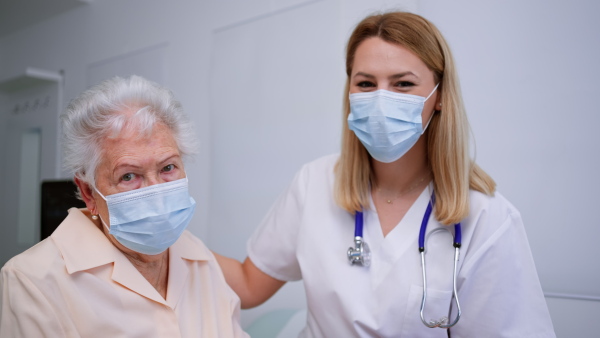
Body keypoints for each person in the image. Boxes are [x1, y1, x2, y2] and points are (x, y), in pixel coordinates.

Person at [215, 12, 556, 337]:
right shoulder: (315, 182)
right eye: (365, 83)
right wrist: (169, 240)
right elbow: (248, 285)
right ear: (349, 92)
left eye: (403, 84)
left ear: (439, 96)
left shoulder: (487, 218)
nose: (381, 99)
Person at [0, 75, 248, 338]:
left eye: (167, 168)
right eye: (128, 176)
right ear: (88, 193)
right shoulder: (32, 280)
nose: (156, 192)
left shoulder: (198, 257)